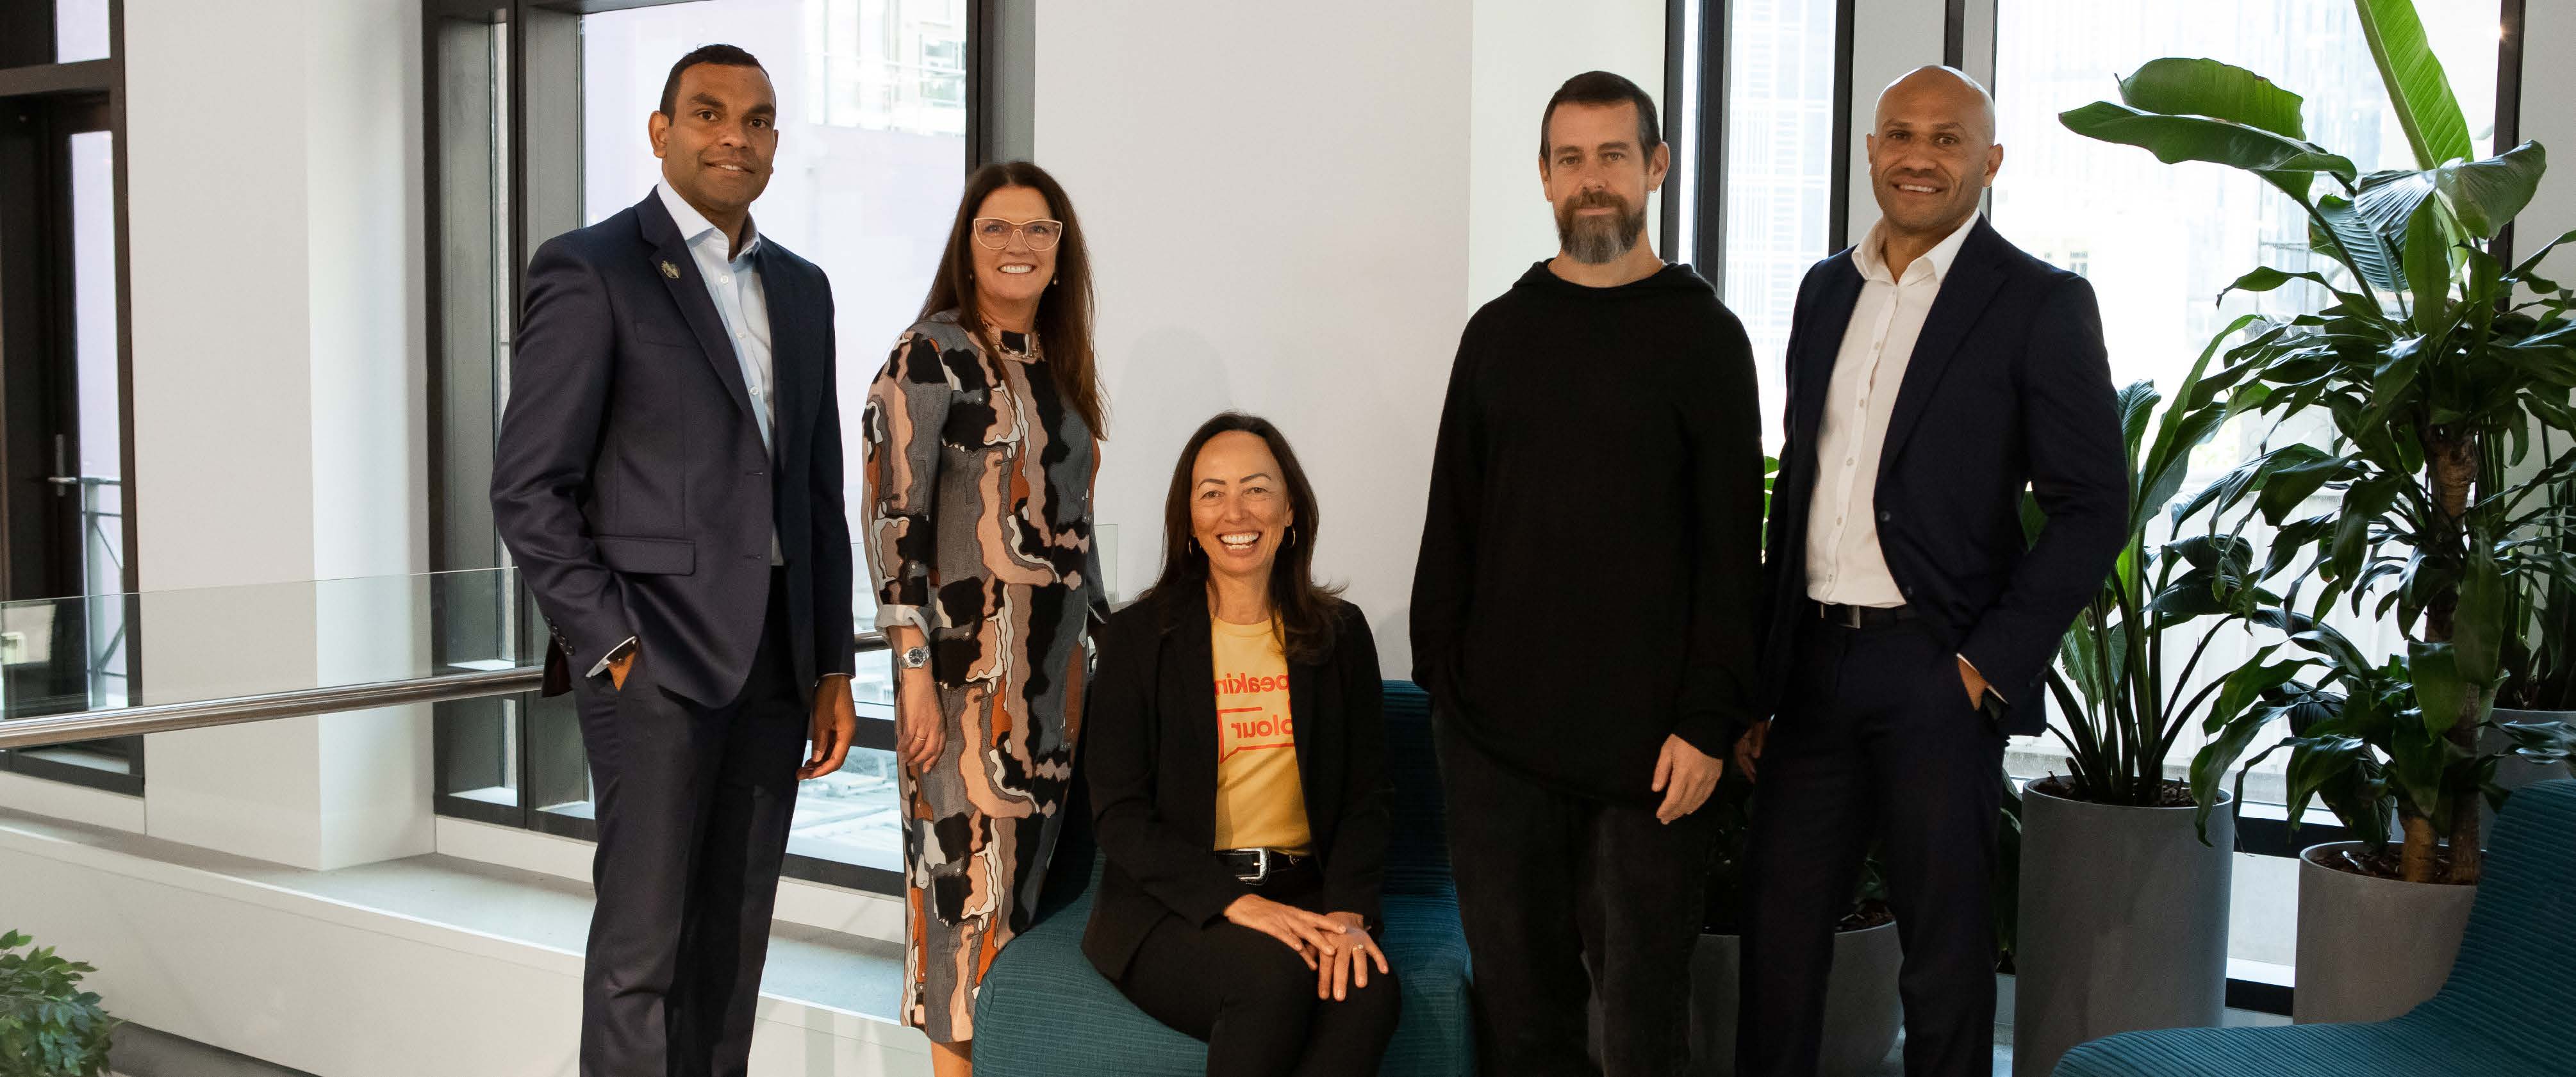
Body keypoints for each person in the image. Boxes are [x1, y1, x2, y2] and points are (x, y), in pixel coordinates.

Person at [1735, 66, 2126, 1077]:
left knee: (1943, 965)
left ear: (1989, 161)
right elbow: (1801, 488)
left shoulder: (2039, 302)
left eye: (1947, 139)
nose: (1919, 156)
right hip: (1811, 671)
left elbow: (2094, 507)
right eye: (1899, 134)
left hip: (1936, 674)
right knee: (1775, 950)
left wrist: (1986, 660)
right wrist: (1760, 676)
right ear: (1869, 149)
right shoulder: (1826, 290)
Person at [490, 44, 858, 1077]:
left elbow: (814, 490)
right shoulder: (592, 267)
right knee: (641, 953)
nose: (734, 136)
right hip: (653, 662)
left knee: (731, 947)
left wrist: (832, 662)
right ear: (662, 131)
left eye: (758, 118)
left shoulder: (803, 287)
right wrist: (610, 644)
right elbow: (529, 486)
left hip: (779, 666)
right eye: (709, 113)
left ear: (776, 141)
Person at [1410, 70, 1766, 1076]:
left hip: (1652, 762)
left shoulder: (1706, 338)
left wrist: (1707, 721)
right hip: (1495, 750)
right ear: (1545, 176)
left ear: (1655, 166)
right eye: (1572, 158)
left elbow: (1732, 552)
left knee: (1645, 1031)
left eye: (1615, 154)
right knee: (1523, 1028)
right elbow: (1455, 523)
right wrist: (1444, 682)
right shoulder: (1499, 334)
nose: (1593, 179)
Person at [863, 160, 1110, 1076]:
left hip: (1059, 694)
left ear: (1060, 252)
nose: (1019, 245)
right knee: (966, 916)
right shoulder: (927, 355)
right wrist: (914, 678)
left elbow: (1075, 534)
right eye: (997, 228)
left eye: (1039, 230)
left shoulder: (1061, 366)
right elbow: (896, 527)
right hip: (963, 691)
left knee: (1035, 919)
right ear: (968, 246)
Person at [1083, 413, 1401, 1077]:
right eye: (1212, 492)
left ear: (1290, 512)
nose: (1236, 510)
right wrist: (1236, 902)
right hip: (1173, 907)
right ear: (1189, 520)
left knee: (1365, 991)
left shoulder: (1341, 635)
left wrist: (1348, 913)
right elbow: (1118, 814)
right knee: (1272, 979)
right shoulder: (1138, 638)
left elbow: (1368, 796)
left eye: (1257, 489)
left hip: (1306, 892)